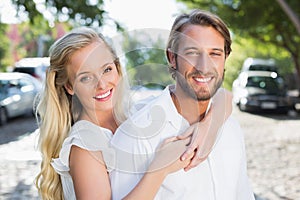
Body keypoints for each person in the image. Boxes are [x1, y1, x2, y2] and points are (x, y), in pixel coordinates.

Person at [34, 26, 231, 200]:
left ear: (118, 69)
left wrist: (208, 127)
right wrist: (159, 169)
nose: (102, 84)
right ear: (69, 86)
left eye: (107, 69)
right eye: (86, 78)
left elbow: (224, 96)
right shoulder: (85, 146)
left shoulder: (134, 113)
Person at [109, 9, 255, 200]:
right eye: (192, 52)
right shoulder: (135, 136)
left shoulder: (231, 128)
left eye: (215, 54)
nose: (204, 67)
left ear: (225, 58)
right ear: (172, 58)